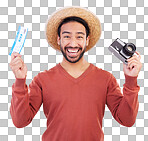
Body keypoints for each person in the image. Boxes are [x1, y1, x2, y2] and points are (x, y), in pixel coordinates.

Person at [9, 6, 142, 141]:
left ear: (87, 40)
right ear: (59, 39)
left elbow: (127, 120)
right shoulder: (42, 80)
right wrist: (20, 81)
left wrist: (131, 80)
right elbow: (20, 122)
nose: (73, 43)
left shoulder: (106, 79)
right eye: (67, 36)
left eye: (79, 36)